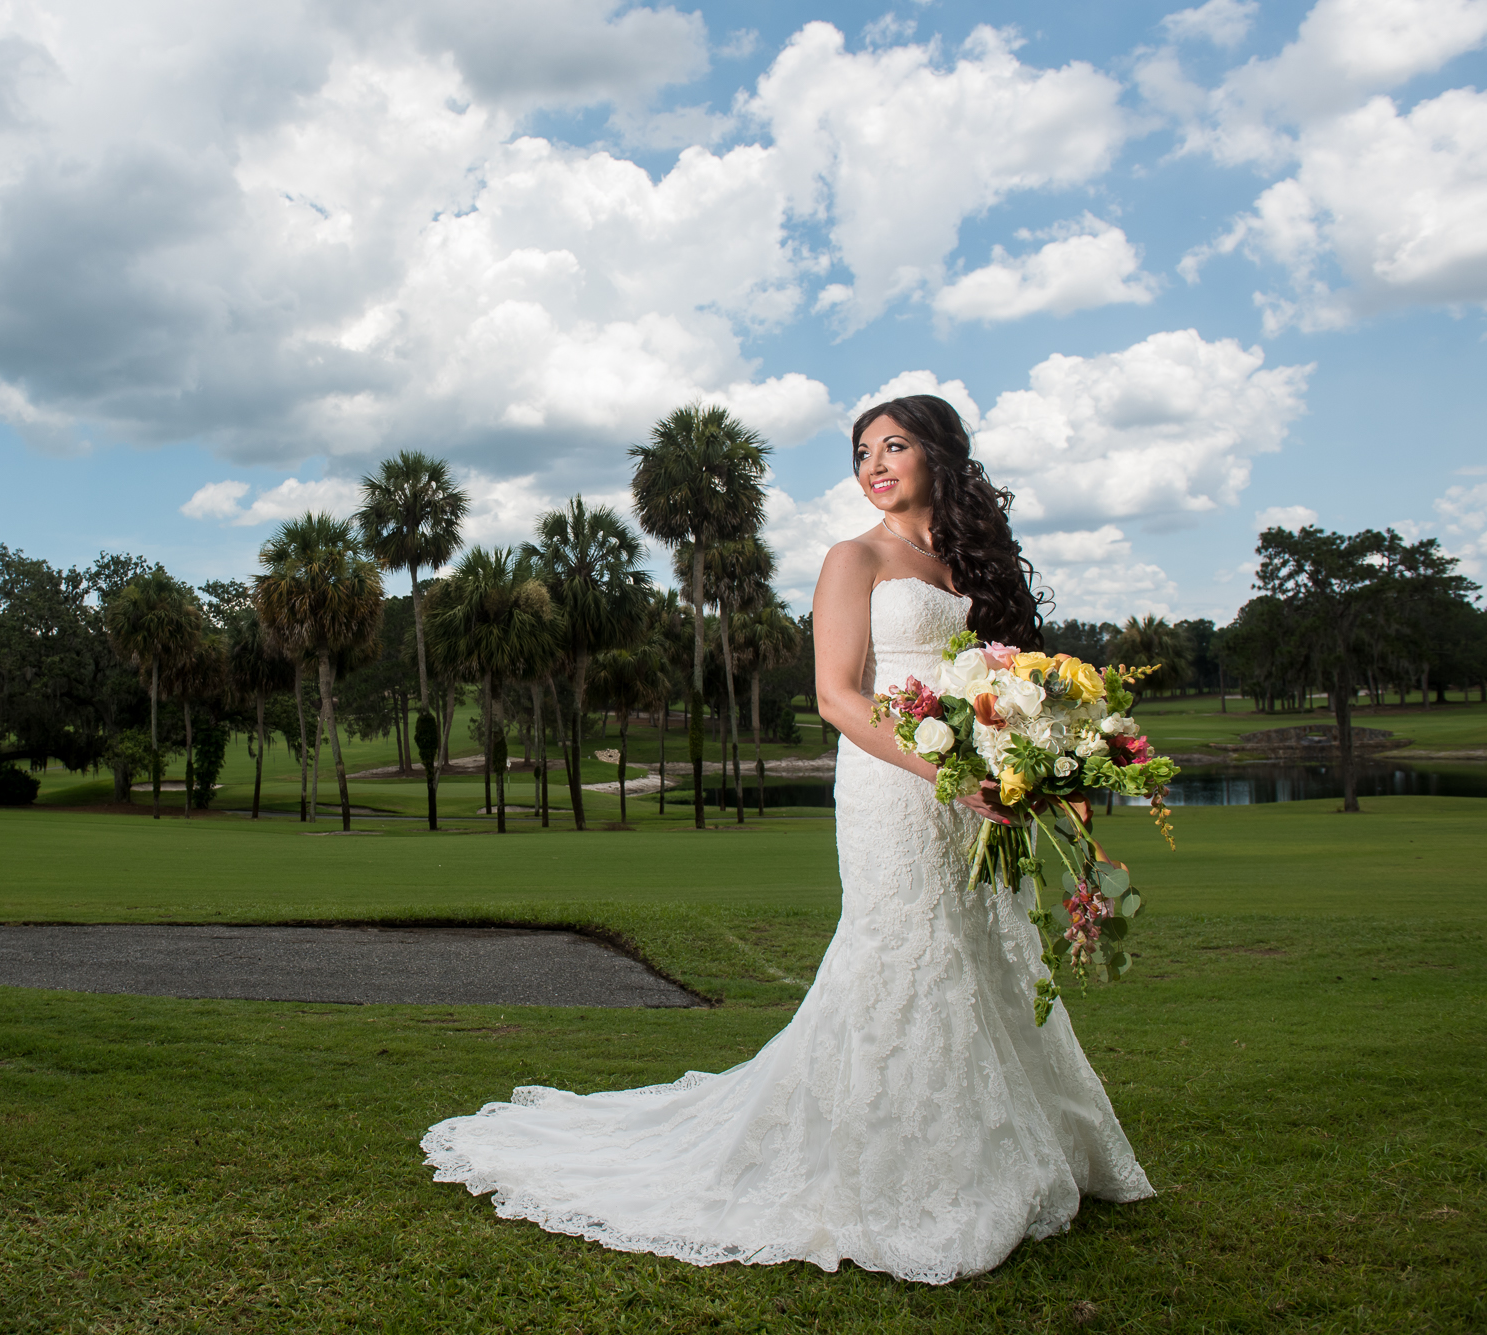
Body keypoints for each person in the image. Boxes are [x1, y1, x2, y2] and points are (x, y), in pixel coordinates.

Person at [421, 394, 1152, 1284]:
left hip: (974, 789)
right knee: (905, 948)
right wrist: (956, 774)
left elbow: (1005, 681)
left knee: (986, 951)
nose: (875, 464)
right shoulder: (857, 556)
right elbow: (840, 699)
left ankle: (1029, 1146)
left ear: (941, 455)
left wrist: (1029, 763)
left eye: (895, 445)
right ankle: (900, 1166)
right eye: (862, 451)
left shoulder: (970, 566)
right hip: (898, 784)